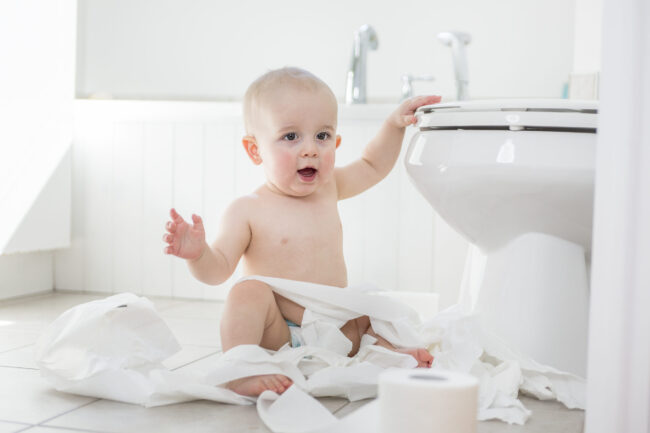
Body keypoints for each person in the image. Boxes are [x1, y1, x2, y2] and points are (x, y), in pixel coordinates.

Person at [163, 67, 440, 397]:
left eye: (322, 136)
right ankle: (241, 368)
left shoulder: (330, 187)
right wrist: (198, 254)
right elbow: (217, 269)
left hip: (339, 331)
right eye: (291, 137)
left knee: (371, 307)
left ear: (335, 142)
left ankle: (382, 353)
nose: (310, 149)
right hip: (279, 333)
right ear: (255, 150)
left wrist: (394, 125)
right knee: (247, 292)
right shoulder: (247, 209)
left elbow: (372, 165)